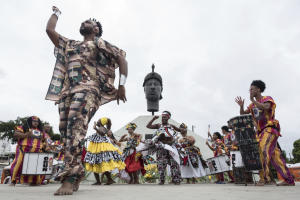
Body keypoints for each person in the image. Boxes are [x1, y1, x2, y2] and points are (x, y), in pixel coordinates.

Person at [45, 6, 128, 195]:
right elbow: (50, 30)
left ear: (96, 29)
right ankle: (78, 172)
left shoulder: (99, 42)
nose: (84, 23)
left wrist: (121, 85)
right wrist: (56, 13)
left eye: (88, 22)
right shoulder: (69, 43)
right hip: (66, 93)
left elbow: (122, 60)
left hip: (89, 90)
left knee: (76, 128)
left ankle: (69, 178)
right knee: (66, 134)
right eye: (82, 22)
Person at [235, 80, 294, 186]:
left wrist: (253, 100)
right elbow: (243, 114)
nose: (250, 91)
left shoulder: (267, 98)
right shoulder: (252, 104)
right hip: (261, 132)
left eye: (251, 89)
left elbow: (266, 107)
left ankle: (263, 178)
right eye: (249, 90)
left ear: (258, 89)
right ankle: (289, 180)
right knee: (276, 156)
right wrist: (241, 106)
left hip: (270, 129)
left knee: (262, 151)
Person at [142, 111, 187, 185]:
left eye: (165, 117)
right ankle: (162, 180)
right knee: (161, 163)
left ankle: (176, 179)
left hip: (171, 146)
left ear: (168, 118)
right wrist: (153, 118)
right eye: (162, 117)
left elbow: (180, 130)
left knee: (174, 162)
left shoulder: (171, 126)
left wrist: (184, 130)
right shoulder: (158, 125)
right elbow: (148, 126)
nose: (163, 119)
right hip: (161, 146)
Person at [84, 117, 125, 186]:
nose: (97, 122)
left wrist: (95, 128)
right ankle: (106, 180)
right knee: (95, 163)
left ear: (102, 122)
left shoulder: (102, 128)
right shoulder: (101, 128)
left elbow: (102, 133)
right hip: (97, 148)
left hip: (100, 148)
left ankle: (105, 180)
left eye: (99, 121)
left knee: (96, 163)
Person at [10, 116, 45, 186]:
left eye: (37, 121)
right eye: (34, 121)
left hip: (36, 150)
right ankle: (13, 181)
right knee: (19, 163)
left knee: (34, 165)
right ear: (30, 121)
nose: (36, 122)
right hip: (23, 148)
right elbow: (16, 134)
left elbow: (43, 140)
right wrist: (26, 135)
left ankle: (33, 181)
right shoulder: (24, 127)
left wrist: (45, 147)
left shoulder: (40, 131)